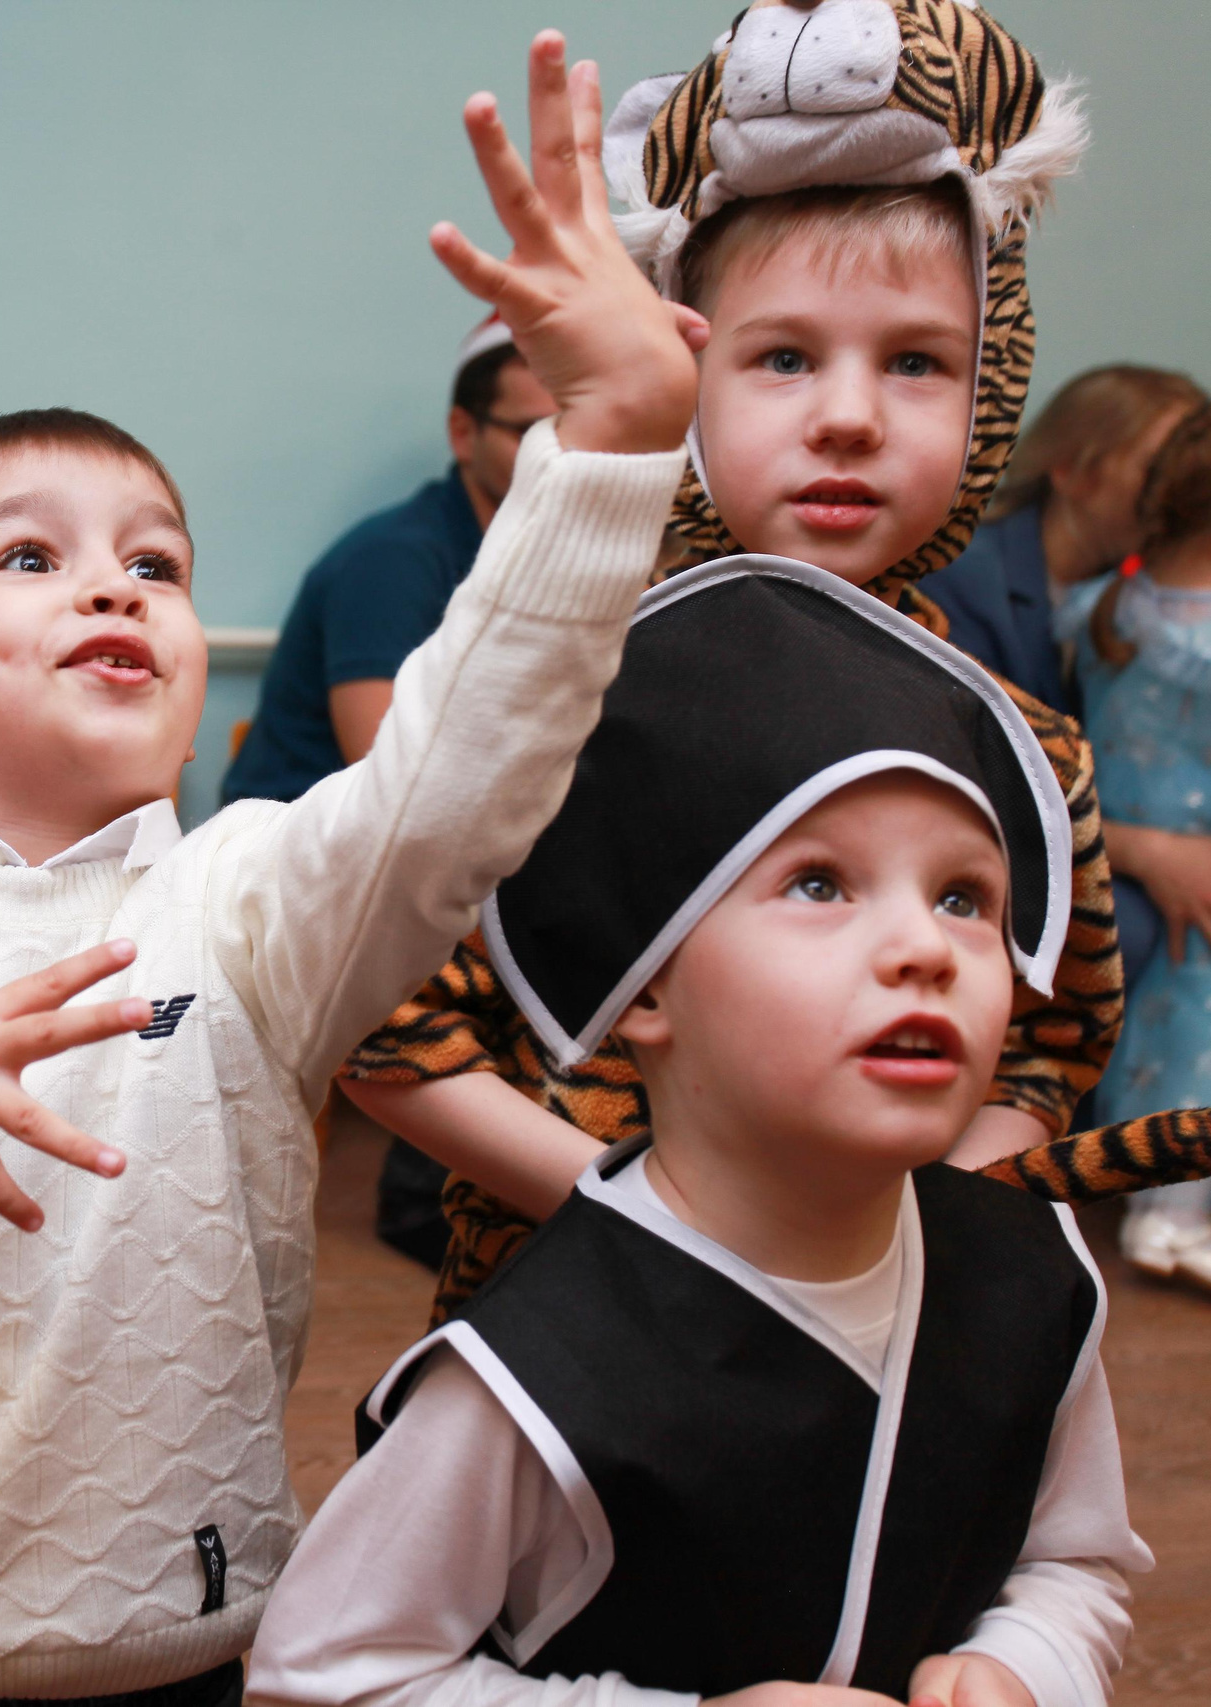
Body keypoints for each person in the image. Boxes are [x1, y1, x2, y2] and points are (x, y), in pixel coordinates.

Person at [0, 34, 703, 1705]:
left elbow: (458, 774)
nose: (114, 586)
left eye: (158, 563)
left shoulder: (250, 898)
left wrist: (612, 438)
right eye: (32, 556)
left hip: (180, 1649)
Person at [342, 0, 1161, 1326]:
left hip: (877, 1358)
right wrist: (670, 1230)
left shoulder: (1024, 743)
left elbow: (1051, 1048)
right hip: (570, 1335)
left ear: (990, 389)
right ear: (687, 368)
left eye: (916, 364)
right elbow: (388, 1036)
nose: (848, 414)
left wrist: (891, 1240)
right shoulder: (559, 696)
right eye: (782, 357)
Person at [247, 560, 1146, 1707]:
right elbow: (320, 1674)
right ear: (643, 989)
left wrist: (1023, 1666)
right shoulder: (529, 1376)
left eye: (964, 897)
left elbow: (1073, 1559)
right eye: (819, 885)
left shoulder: (1033, 1278)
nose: (924, 946)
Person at [1064, 399, 1211, 1306]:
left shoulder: (1102, 607)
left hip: (1125, 876)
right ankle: (1177, 1217)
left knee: (1169, 1033)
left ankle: (1171, 1200)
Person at [918, 365, 1209, 985]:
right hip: (981, 850)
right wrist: (1146, 852)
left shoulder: (1136, 596)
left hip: (1065, 842)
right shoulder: (964, 581)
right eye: (1160, 470)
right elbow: (971, 778)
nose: (1185, 495)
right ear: (1073, 470)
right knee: (1147, 936)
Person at [221, 316, 553, 805]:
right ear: (463, 433)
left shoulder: (527, 559)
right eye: (533, 431)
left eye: (572, 428)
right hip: (288, 864)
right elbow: (392, 787)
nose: (559, 453)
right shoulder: (391, 561)